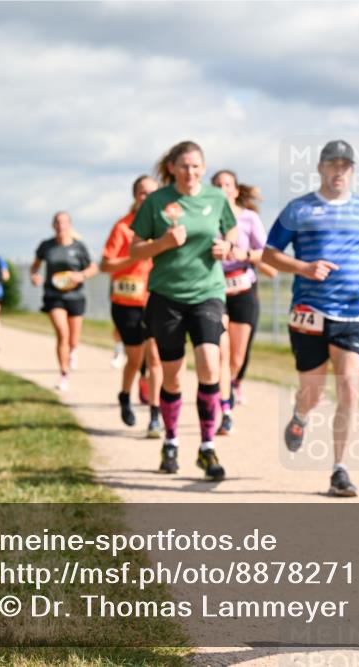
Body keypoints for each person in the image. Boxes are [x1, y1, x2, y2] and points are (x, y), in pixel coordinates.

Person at [263, 139, 359, 497]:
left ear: (352, 171)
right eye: (332, 164)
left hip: (351, 313)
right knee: (313, 392)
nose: (339, 171)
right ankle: (301, 415)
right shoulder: (298, 209)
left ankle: (339, 469)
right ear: (320, 168)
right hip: (308, 312)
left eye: (346, 165)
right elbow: (269, 254)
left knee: (349, 387)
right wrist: (303, 267)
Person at [129, 140, 239, 481]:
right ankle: (171, 441)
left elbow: (231, 228)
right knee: (173, 374)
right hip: (167, 296)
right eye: (184, 166)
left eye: (196, 166)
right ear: (172, 168)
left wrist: (228, 245)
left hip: (207, 292)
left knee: (209, 363)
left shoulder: (216, 198)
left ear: (203, 168)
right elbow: (135, 251)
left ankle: (207, 448)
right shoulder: (156, 202)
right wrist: (162, 243)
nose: (190, 172)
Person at [210, 170, 277, 434]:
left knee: (237, 357)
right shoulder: (207, 217)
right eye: (216, 185)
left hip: (243, 288)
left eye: (227, 184)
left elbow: (267, 253)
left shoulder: (249, 218)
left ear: (236, 190)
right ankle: (225, 410)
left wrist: (244, 253)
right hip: (214, 289)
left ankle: (234, 383)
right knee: (222, 353)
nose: (222, 188)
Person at [101, 175, 164, 437]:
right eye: (141, 193)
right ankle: (125, 395)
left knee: (156, 357)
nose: (146, 198)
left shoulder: (165, 227)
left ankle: (154, 414)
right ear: (134, 196)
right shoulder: (123, 227)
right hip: (126, 301)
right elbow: (106, 265)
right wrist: (136, 254)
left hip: (157, 298)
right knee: (135, 357)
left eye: (151, 193)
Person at [30, 212, 98, 391]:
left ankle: (72, 351)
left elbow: (93, 268)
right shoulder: (47, 246)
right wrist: (34, 275)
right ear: (53, 225)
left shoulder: (79, 247)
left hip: (75, 296)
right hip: (53, 296)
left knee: (73, 340)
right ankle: (64, 374)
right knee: (62, 333)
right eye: (58, 222)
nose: (61, 225)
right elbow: (35, 266)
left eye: (64, 222)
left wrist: (81, 275)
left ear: (70, 225)